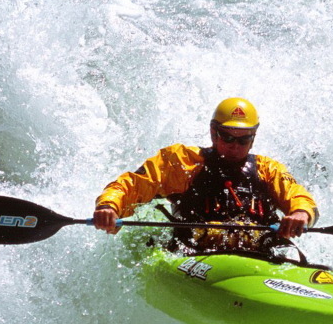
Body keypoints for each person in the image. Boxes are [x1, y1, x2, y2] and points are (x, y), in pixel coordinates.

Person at [93, 98, 317, 253]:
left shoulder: (268, 169)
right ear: (213, 132)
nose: (235, 146)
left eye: (243, 139)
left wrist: (300, 214)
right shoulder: (181, 162)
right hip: (195, 253)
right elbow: (130, 185)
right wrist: (109, 207)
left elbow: (299, 197)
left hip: (261, 253)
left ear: (254, 137)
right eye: (227, 138)